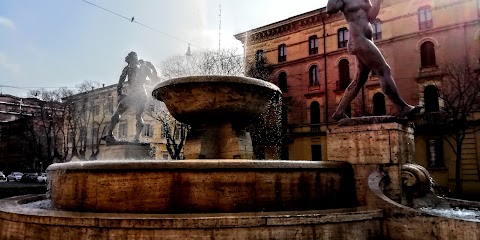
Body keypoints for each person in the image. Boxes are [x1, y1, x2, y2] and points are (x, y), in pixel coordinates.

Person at [327, 0, 421, 120]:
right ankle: (402, 107)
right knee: (384, 69)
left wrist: (377, 2)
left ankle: (339, 112)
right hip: (358, 39)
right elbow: (330, 9)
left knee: (359, 80)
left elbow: (371, 16)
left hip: (367, 38)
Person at [103, 51, 158, 143]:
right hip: (141, 95)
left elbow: (120, 83)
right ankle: (135, 138)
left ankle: (110, 134)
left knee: (120, 113)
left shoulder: (128, 68)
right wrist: (152, 67)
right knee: (138, 115)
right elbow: (154, 79)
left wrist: (119, 94)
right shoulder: (144, 67)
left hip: (134, 95)